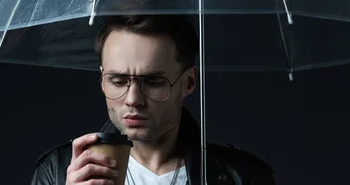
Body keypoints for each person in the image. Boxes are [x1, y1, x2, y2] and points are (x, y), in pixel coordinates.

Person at [30, 14, 276, 185]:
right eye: (118, 81)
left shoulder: (243, 176)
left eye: (153, 82)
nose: (133, 100)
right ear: (102, 79)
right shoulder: (59, 171)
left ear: (189, 82)